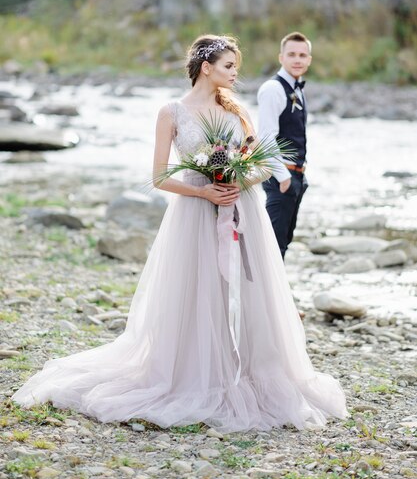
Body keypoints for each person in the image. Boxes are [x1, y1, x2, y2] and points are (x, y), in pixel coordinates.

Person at [12, 34, 346, 433]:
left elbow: (261, 162)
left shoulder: (237, 110)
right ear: (206, 68)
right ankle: (197, 373)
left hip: (241, 211)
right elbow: (159, 177)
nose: (235, 73)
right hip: (194, 213)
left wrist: (241, 183)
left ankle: (250, 370)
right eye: (228, 66)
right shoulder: (171, 112)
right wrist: (203, 190)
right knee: (198, 291)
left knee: (247, 291)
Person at [257, 31, 311, 260]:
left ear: (309, 59)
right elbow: (266, 137)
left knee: (283, 243)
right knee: (272, 247)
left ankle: (274, 296)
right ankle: (263, 296)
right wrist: (284, 178)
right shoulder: (273, 89)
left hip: (297, 174)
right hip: (281, 176)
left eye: (302, 55)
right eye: (291, 54)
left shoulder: (297, 88)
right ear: (281, 57)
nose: (297, 59)